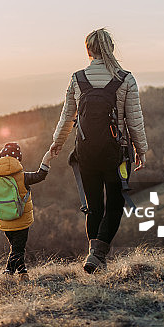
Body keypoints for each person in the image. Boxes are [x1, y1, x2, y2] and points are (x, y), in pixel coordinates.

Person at [49, 28, 148, 273]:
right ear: (111, 49)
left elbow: (66, 117)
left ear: (88, 50)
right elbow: (134, 120)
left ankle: (94, 257)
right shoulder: (126, 79)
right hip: (117, 155)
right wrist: (141, 149)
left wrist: (57, 143)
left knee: (93, 207)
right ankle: (98, 254)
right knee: (115, 204)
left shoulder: (77, 79)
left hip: (85, 153)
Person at [0, 142, 55, 281]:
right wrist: (47, 159)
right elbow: (40, 175)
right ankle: (8, 273)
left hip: (4, 221)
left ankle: (23, 273)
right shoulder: (23, 177)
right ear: (17, 160)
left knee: (15, 247)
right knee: (18, 249)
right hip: (21, 221)